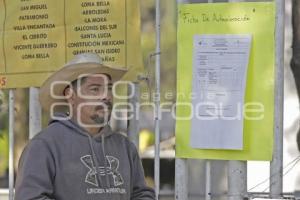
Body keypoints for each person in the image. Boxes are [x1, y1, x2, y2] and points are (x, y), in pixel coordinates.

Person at [15, 53, 155, 200]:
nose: (106, 96)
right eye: (95, 89)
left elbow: (141, 194)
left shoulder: (125, 147)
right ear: (71, 95)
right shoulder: (44, 146)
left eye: (108, 88)